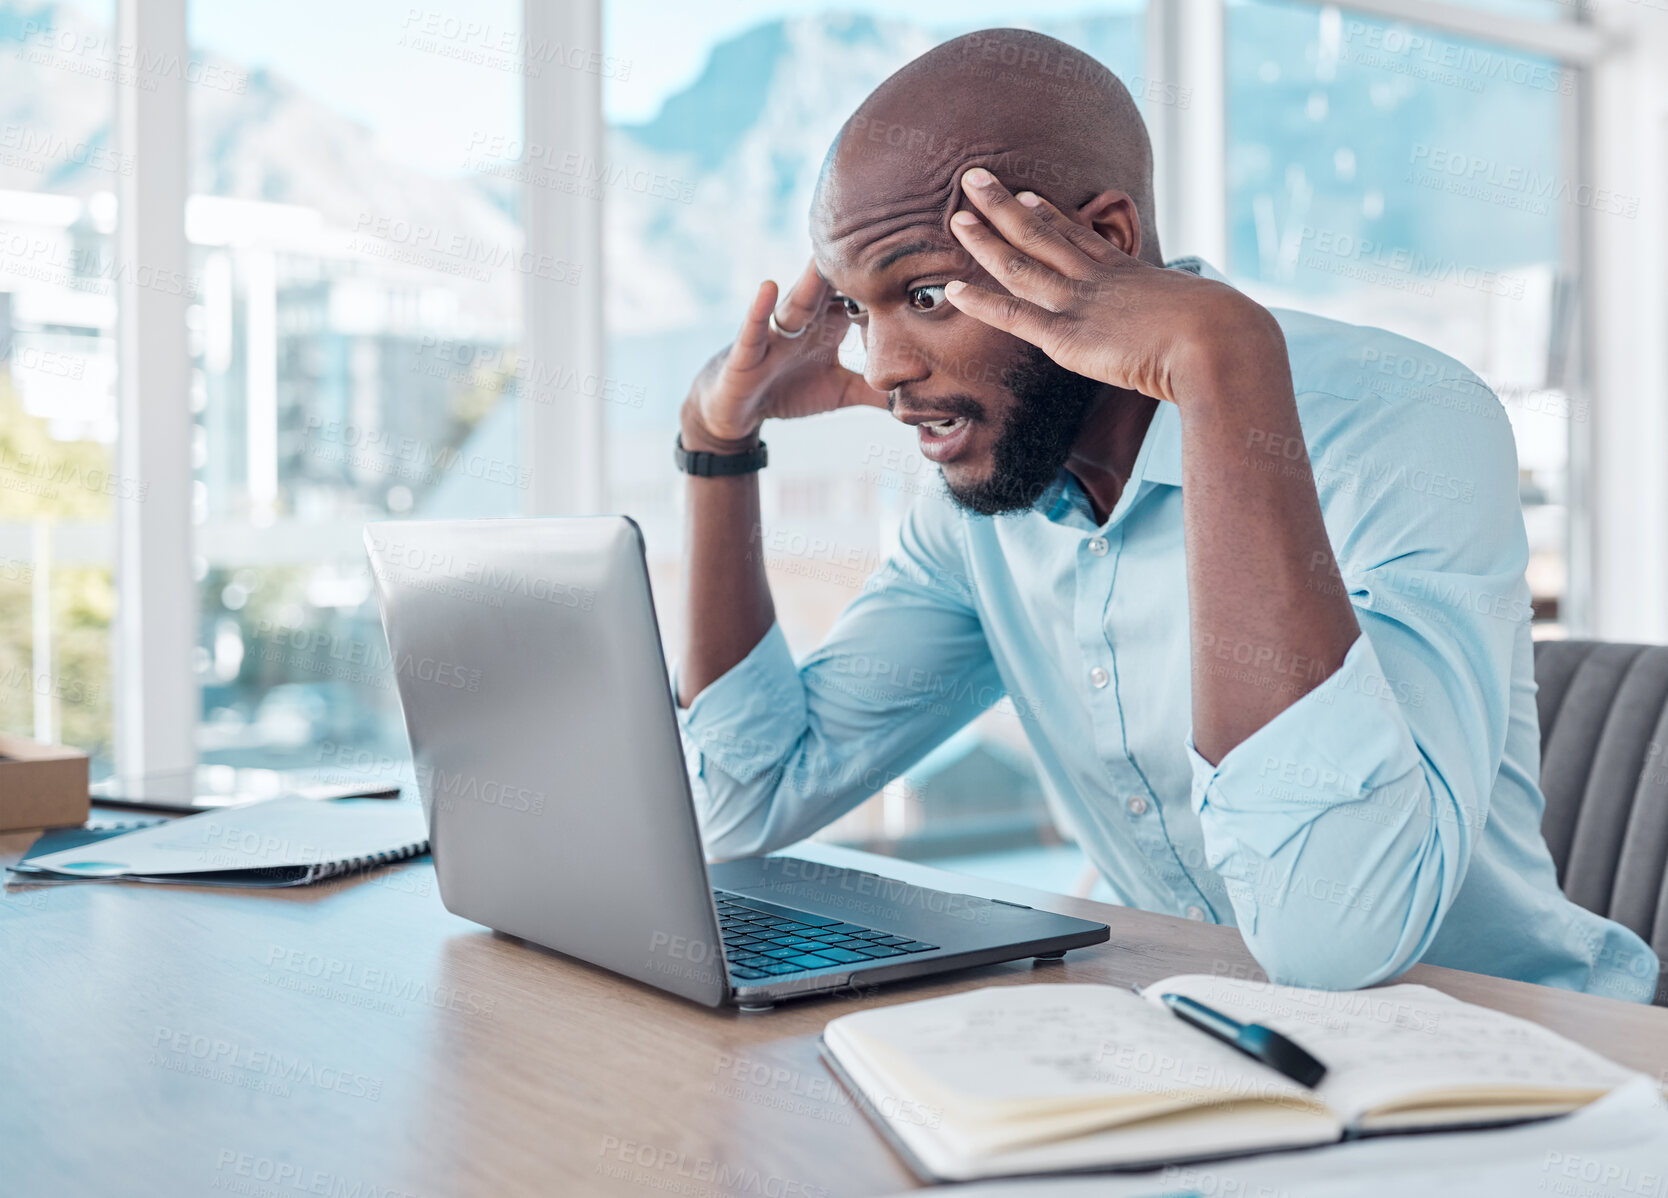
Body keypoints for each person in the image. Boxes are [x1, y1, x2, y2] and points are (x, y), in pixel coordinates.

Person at [669, 28, 1659, 1001]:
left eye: (925, 294)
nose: (881, 368)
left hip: (1539, 1069)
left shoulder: (1399, 424)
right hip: (1219, 1054)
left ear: (1103, 243)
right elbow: (740, 800)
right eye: (855, 309)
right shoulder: (983, 514)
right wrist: (716, 446)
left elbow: (1331, 935)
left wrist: (1219, 363)